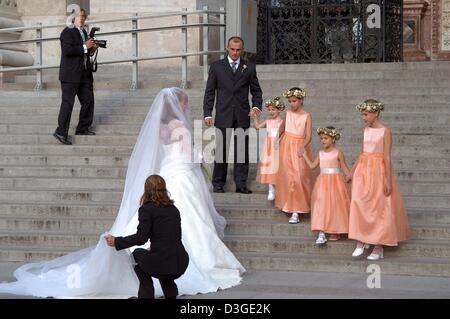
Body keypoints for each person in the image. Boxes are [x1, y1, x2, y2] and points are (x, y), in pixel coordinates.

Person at [0, 88, 245, 298]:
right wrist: (202, 156)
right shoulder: (180, 125)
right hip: (182, 174)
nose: (186, 105)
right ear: (178, 103)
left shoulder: (161, 126)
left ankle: (133, 248)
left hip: (169, 171)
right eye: (184, 102)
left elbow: (163, 151)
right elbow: (190, 154)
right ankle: (194, 261)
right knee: (192, 217)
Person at [105, 175, 189, 299]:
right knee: (160, 261)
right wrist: (155, 247)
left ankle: (146, 294)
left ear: (147, 190)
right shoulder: (173, 209)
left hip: (163, 263)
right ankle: (171, 293)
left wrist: (117, 241)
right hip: (181, 262)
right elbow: (173, 236)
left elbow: (141, 238)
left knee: (137, 254)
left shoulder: (147, 209)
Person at [349, 99, 411, 260]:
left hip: (378, 170)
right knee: (359, 203)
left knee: (379, 206)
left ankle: (378, 245)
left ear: (376, 113)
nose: (363, 117)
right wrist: (352, 171)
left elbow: (387, 157)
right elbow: (362, 152)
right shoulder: (365, 130)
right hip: (363, 170)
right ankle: (361, 240)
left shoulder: (385, 131)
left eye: (366, 114)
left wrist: (388, 180)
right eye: (362, 114)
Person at [203, 36, 263, 194]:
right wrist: (208, 113)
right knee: (221, 151)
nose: (235, 52)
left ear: (242, 50)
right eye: (232, 49)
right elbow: (210, 92)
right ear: (227, 48)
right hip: (223, 114)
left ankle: (241, 184)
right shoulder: (216, 67)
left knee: (242, 151)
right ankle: (218, 183)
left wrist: (256, 106)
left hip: (242, 114)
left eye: (238, 50)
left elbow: (256, 91)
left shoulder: (249, 67)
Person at [53, 8, 98, 145]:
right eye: (80, 16)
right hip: (70, 75)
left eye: (84, 16)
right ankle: (61, 132)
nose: (83, 18)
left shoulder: (83, 32)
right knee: (67, 104)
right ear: (73, 18)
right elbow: (67, 51)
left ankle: (82, 128)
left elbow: (84, 52)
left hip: (83, 74)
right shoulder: (67, 31)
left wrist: (92, 49)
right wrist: (85, 46)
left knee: (88, 100)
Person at [300, 127, 351, 244]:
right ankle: (321, 232)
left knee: (334, 204)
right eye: (321, 139)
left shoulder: (338, 153)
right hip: (322, 182)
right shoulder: (321, 153)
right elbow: (313, 166)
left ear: (333, 139)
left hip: (335, 181)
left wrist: (349, 175)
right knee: (321, 204)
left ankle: (335, 229)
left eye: (326, 138)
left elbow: (343, 167)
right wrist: (304, 155)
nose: (323, 141)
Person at [275, 88, 314, 224]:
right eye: (290, 101)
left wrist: (303, 146)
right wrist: (276, 139)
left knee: (298, 176)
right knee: (287, 175)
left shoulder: (307, 116)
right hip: (286, 145)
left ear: (301, 100)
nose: (292, 104)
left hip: (299, 146)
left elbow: (308, 135)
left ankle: (297, 208)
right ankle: (291, 208)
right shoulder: (288, 113)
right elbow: (282, 128)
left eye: (294, 101)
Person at [251, 97, 285, 201]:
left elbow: (284, 133)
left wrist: (279, 141)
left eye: (273, 109)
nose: (271, 112)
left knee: (279, 166)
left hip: (279, 145)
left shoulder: (282, 122)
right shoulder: (268, 121)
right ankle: (271, 189)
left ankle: (280, 188)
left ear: (279, 110)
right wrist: (255, 117)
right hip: (269, 146)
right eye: (269, 110)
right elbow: (257, 126)